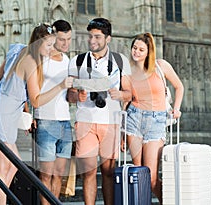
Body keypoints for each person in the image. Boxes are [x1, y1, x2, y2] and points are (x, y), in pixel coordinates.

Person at [0, 24, 73, 205]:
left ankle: (1, 200)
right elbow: (36, 100)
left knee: (14, 164)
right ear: (38, 43)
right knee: (0, 168)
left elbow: (0, 75)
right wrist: (61, 86)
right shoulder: (31, 62)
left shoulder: (18, 49)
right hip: (1, 113)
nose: (51, 49)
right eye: (48, 45)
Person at [67, 18, 131, 205]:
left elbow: (129, 94)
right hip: (85, 122)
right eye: (90, 36)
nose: (92, 40)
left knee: (109, 173)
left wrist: (118, 94)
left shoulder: (120, 61)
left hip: (111, 122)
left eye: (97, 36)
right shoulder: (77, 61)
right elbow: (69, 94)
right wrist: (76, 96)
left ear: (108, 38)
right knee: (88, 172)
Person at [121, 32, 184, 204]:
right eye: (135, 48)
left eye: (141, 49)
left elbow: (179, 86)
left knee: (151, 177)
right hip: (134, 120)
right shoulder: (128, 71)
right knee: (138, 173)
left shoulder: (160, 66)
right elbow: (126, 101)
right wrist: (121, 132)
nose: (137, 52)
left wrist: (176, 108)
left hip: (156, 121)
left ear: (149, 52)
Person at [33, 20, 73, 205]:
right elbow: (30, 89)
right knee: (46, 176)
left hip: (65, 122)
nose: (66, 44)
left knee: (59, 176)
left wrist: (76, 92)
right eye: (62, 39)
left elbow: (68, 96)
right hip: (46, 121)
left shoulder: (66, 60)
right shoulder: (42, 58)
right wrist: (29, 112)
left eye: (69, 39)